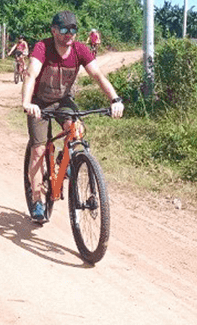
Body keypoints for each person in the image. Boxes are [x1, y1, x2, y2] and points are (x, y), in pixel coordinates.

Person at [22, 11, 124, 222]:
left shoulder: (80, 50)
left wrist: (115, 99)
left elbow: (97, 75)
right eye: (64, 30)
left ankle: (64, 159)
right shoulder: (43, 47)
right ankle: (38, 200)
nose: (69, 34)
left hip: (63, 100)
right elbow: (31, 74)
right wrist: (27, 103)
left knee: (77, 130)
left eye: (73, 30)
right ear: (53, 30)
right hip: (38, 102)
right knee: (39, 149)